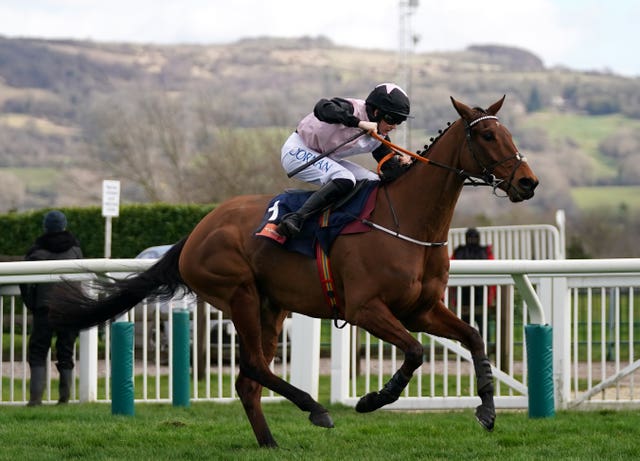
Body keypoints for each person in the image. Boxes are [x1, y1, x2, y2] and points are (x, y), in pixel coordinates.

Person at [276, 82, 412, 238]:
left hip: (326, 157)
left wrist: (402, 165)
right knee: (345, 178)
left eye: (399, 121)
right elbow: (322, 107)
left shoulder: (379, 137)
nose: (394, 126)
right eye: (392, 119)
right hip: (297, 150)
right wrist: (358, 123)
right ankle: (296, 218)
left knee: (373, 181)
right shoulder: (353, 108)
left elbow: (389, 171)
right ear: (376, 112)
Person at [19, 210, 83, 406]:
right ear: (64, 226)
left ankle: (35, 399)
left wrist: (32, 303)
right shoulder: (75, 251)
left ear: (45, 227)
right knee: (66, 350)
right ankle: (64, 398)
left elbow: (24, 282)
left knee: (38, 351)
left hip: (43, 308)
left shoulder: (36, 252)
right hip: (69, 307)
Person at [451, 228, 496, 331]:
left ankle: (462, 346)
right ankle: (486, 345)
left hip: (462, 296)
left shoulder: (459, 252)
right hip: (481, 295)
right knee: (483, 326)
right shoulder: (485, 252)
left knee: (465, 328)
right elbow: (493, 272)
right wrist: (492, 296)